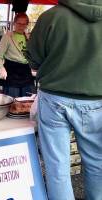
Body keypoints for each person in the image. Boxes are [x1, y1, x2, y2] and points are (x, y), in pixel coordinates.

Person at [26, 1, 102, 199]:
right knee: (97, 164)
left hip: (54, 99)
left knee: (57, 167)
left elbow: (33, 58)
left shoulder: (51, 17)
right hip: (97, 100)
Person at [0, 13, 34, 97]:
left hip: (26, 73)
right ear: (14, 23)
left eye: (24, 24)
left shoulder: (29, 37)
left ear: (27, 25)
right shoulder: (7, 37)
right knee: (13, 104)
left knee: (27, 102)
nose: (21, 26)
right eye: (19, 23)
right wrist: (2, 69)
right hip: (11, 72)